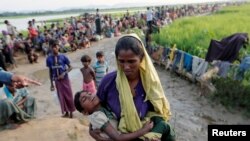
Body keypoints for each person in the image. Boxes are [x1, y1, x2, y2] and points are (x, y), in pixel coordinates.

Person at [89, 34, 176, 141]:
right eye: (121, 61)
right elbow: (95, 111)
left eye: (131, 61)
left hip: (146, 135)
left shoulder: (149, 83)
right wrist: (94, 133)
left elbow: (158, 113)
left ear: (142, 58)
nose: (126, 67)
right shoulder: (108, 82)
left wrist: (154, 136)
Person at [74, 90, 154, 140]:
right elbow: (117, 137)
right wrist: (143, 131)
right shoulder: (96, 116)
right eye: (84, 99)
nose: (89, 96)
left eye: (89, 93)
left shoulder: (103, 107)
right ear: (84, 112)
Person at [46, 41, 75, 118]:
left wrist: (64, 73)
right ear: (51, 48)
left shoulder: (63, 56)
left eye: (56, 46)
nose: (55, 48)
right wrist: (51, 84)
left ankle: (71, 111)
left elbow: (70, 67)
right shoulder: (49, 59)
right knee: (61, 96)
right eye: (53, 47)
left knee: (69, 95)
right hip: (57, 80)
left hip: (65, 79)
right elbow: (50, 71)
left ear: (59, 47)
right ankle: (66, 112)